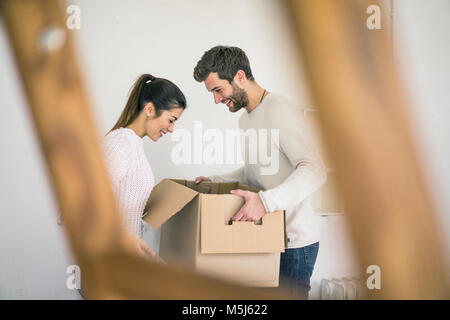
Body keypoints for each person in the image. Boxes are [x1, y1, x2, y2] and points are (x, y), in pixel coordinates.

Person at [193, 46, 326, 299]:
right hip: (267, 237)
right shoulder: (245, 120)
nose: (216, 100)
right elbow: (255, 171)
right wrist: (216, 181)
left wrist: (265, 202)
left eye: (218, 90)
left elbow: (314, 169)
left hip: (294, 245)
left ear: (240, 76)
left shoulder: (280, 110)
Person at [102, 73, 186, 258]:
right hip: (112, 257)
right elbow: (95, 202)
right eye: (171, 120)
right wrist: (124, 238)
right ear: (149, 109)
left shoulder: (134, 143)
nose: (171, 129)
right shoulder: (121, 142)